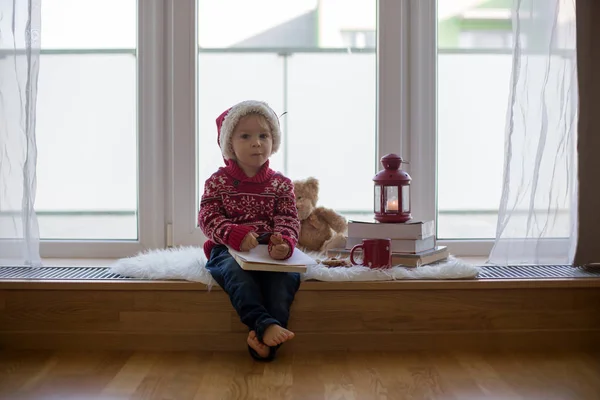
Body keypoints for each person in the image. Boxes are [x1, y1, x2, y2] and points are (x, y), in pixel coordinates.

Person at [198, 100, 301, 361]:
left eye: (263, 135)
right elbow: (207, 218)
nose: (257, 142)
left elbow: (288, 217)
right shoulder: (217, 181)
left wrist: (285, 244)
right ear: (229, 144)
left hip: (268, 252)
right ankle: (264, 325)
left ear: (273, 141)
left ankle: (266, 342)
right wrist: (233, 234)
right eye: (246, 136)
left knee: (284, 281)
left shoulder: (281, 184)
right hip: (228, 251)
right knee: (237, 276)